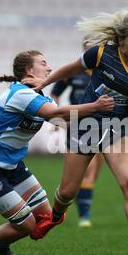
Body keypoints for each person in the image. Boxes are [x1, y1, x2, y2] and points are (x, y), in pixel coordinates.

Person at [24, 4, 128, 255]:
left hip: (119, 130)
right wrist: (44, 83)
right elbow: (71, 68)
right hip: (86, 125)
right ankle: (55, 216)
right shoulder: (102, 53)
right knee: (68, 192)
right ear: (120, 41)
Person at [0, 50, 114, 255]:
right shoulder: (20, 93)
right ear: (28, 70)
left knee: (47, 216)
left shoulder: (39, 97)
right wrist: (95, 105)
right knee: (27, 225)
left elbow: (66, 122)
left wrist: (106, 126)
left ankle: (0, 243)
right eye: (44, 63)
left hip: (13, 167)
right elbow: (54, 113)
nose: (49, 68)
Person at [49, 38, 103, 228]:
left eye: (95, 46)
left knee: (93, 173)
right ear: (83, 48)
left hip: (105, 125)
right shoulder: (75, 70)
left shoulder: (108, 71)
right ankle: (84, 217)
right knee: (86, 171)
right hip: (79, 123)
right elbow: (54, 93)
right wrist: (56, 116)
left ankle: (77, 204)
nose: (91, 50)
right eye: (88, 47)